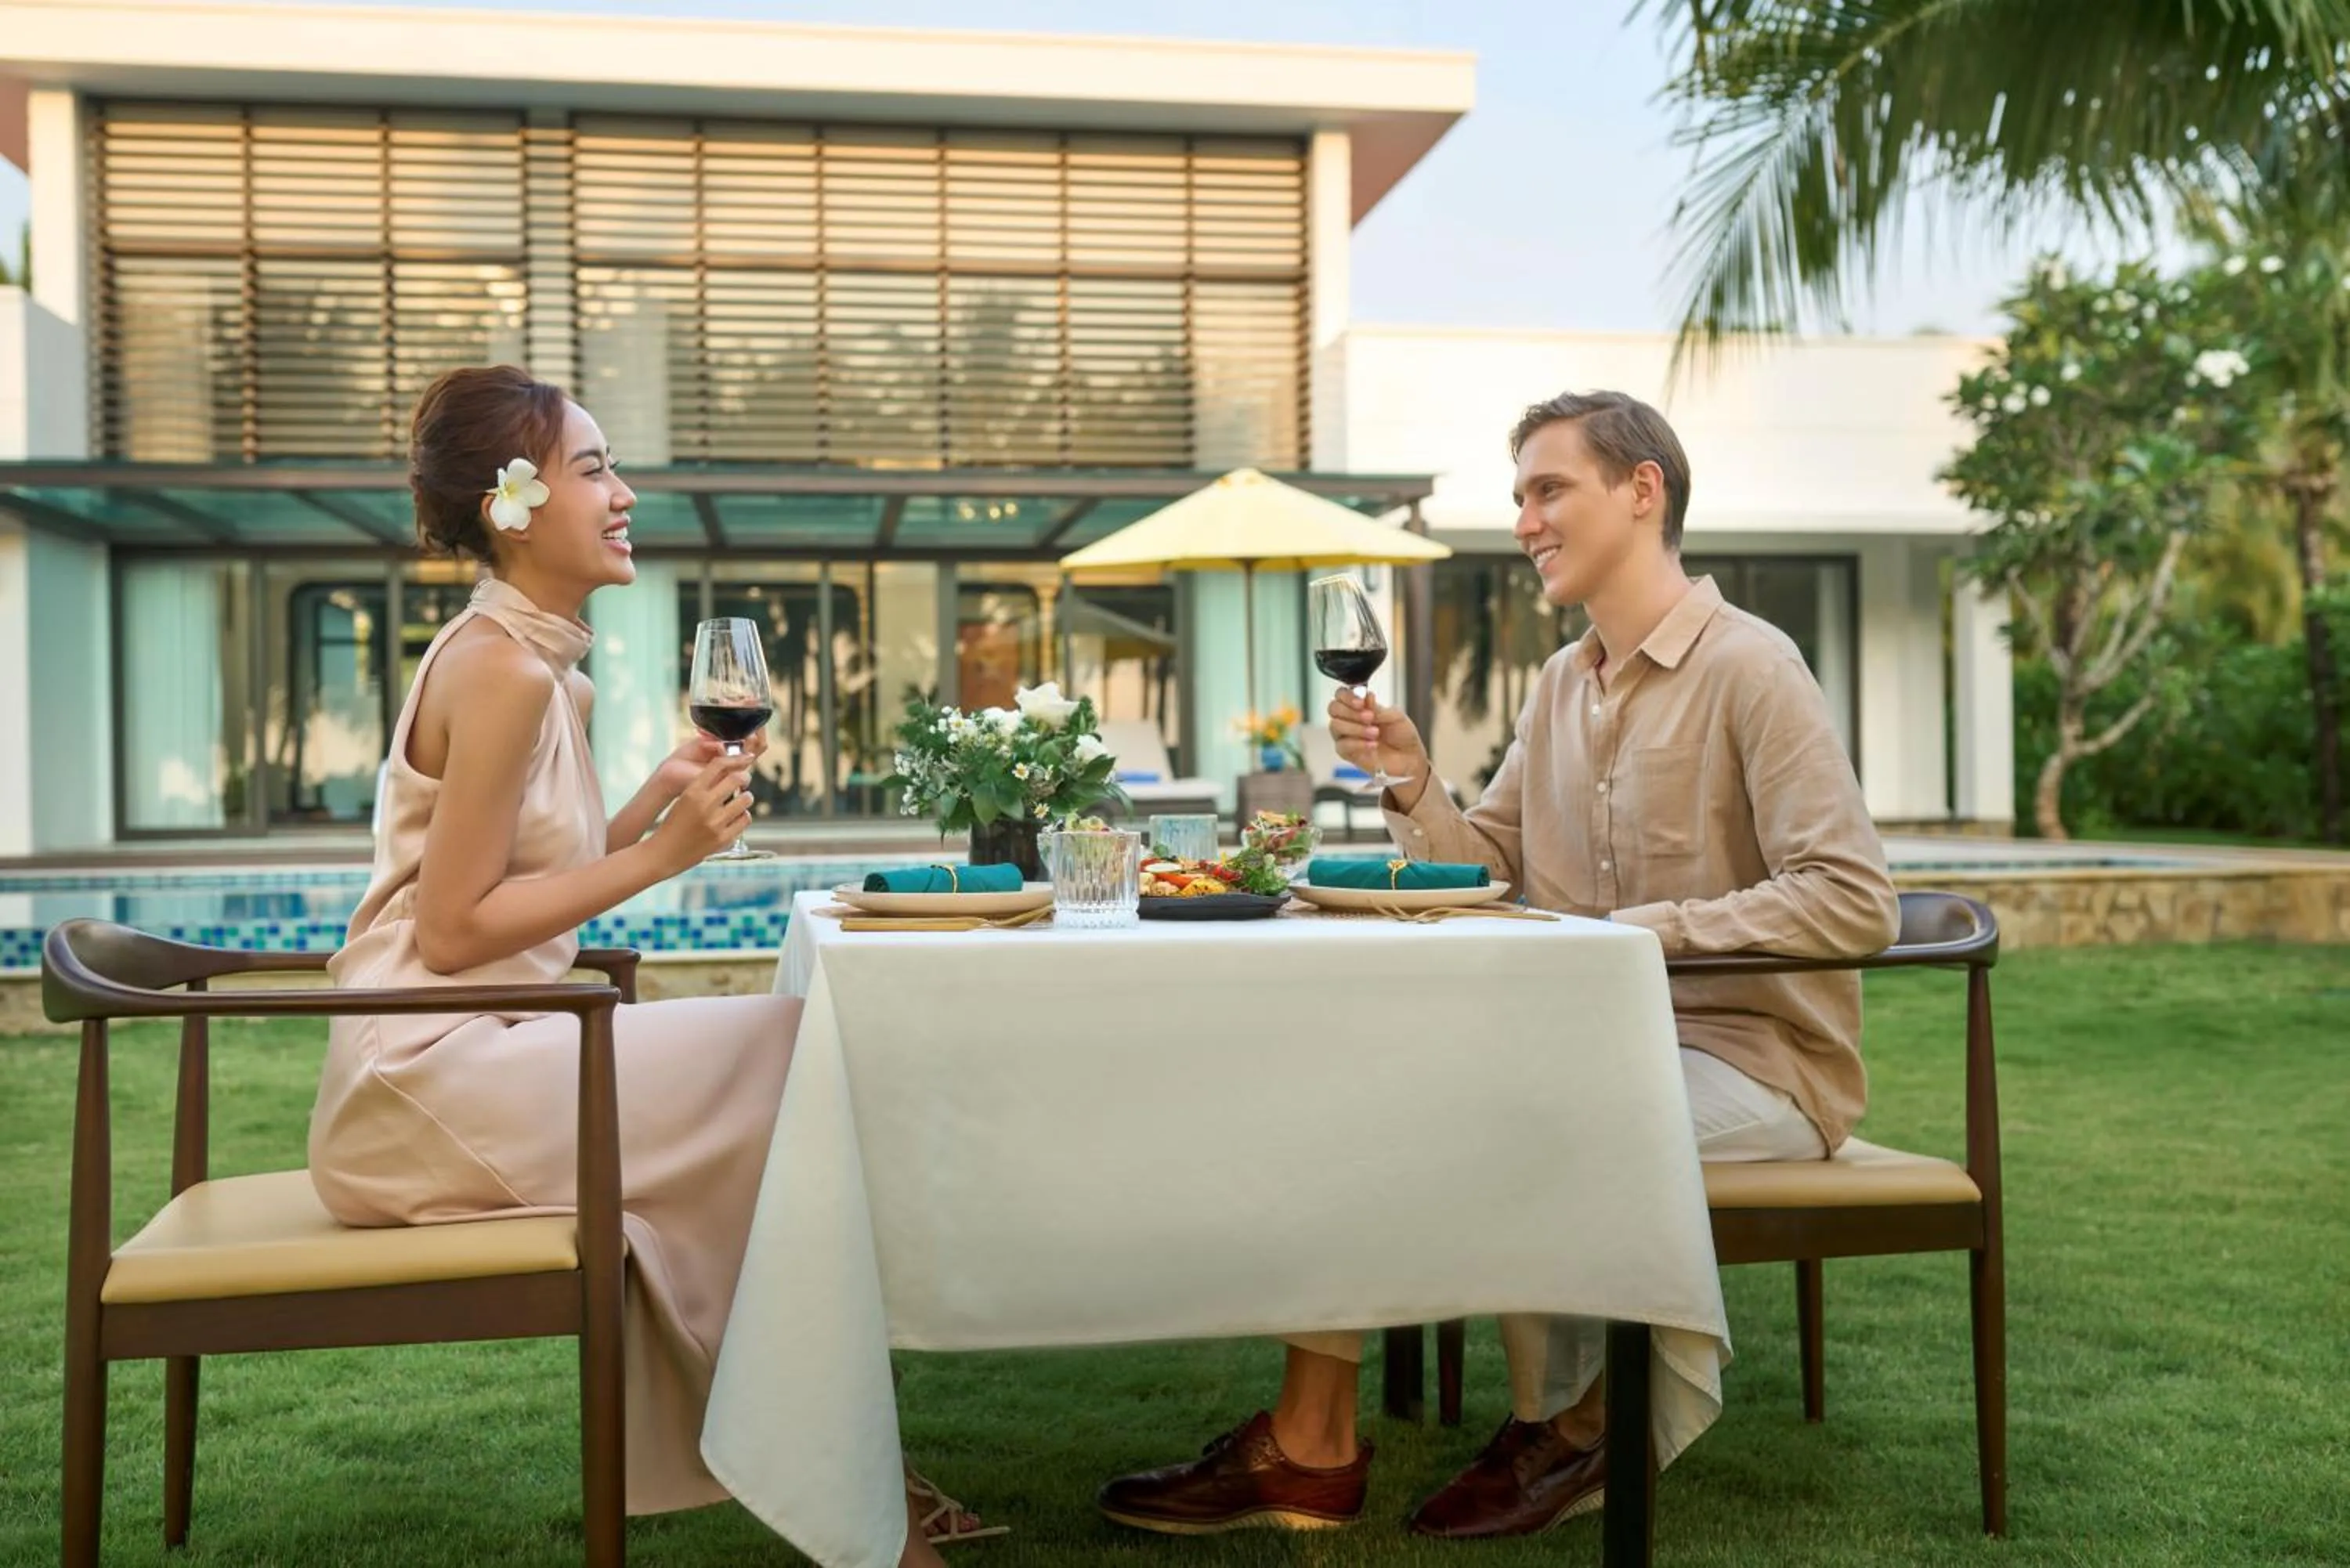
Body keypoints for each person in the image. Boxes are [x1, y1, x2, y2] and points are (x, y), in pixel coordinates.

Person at [1096, 389, 1900, 1540]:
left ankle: (1574, 1427)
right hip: (1588, 1043)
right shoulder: (1562, 684)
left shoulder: (1753, 668)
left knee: (1525, 1113)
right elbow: (1490, 867)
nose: (1524, 521)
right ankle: (1311, 1444)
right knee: (1367, 1093)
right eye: (1519, 496)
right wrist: (1415, 779)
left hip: (1753, 1062)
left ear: (1643, 490)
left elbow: (1852, 895)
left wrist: (1637, 932)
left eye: (1548, 490)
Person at [309, 365, 991, 1563]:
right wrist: (663, 856)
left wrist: (648, 805)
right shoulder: (499, 669)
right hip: (422, 1077)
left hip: (494, 1039)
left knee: (782, 1065)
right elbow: (456, 931)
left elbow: (519, 886)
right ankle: (837, 1474)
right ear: (515, 508)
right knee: (786, 1055)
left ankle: (828, 1461)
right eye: (593, 469)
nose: (624, 493)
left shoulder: (541, 672)